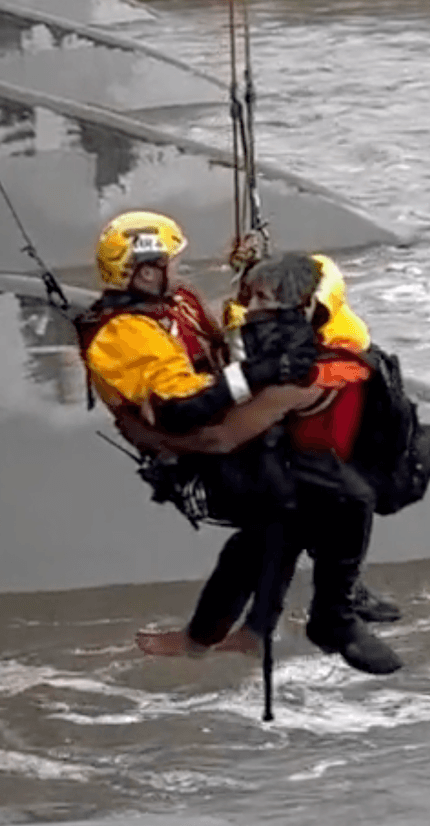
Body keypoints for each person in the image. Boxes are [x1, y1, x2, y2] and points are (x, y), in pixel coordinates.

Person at [119, 251, 403, 676]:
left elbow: (220, 438)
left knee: (249, 549)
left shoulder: (300, 378)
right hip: (336, 475)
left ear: (301, 309)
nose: (249, 310)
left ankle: (203, 641)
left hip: (316, 485)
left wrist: (155, 440)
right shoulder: (345, 345)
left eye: (261, 300)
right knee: (273, 546)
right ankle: (255, 633)